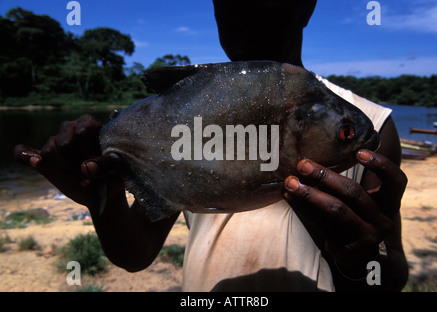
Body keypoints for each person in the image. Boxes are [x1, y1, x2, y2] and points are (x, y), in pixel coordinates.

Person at [13, 0, 408, 291]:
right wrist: (105, 195)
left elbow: (390, 275)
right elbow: (136, 253)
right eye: (227, 5)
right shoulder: (195, 109)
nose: (243, 16)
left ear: (307, 5)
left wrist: (363, 262)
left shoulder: (368, 125)